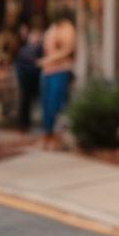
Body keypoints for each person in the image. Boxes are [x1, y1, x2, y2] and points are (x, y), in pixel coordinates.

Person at [38, 8, 75, 148]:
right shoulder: (52, 28)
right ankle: (47, 134)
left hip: (60, 70)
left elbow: (68, 50)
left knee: (56, 104)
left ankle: (58, 136)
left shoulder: (68, 29)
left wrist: (50, 59)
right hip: (47, 71)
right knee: (46, 105)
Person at [12, 18, 43, 132]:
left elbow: (38, 62)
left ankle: (31, 124)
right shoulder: (24, 49)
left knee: (33, 101)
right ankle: (23, 124)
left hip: (34, 79)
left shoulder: (39, 48)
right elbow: (20, 63)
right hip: (25, 79)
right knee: (25, 101)